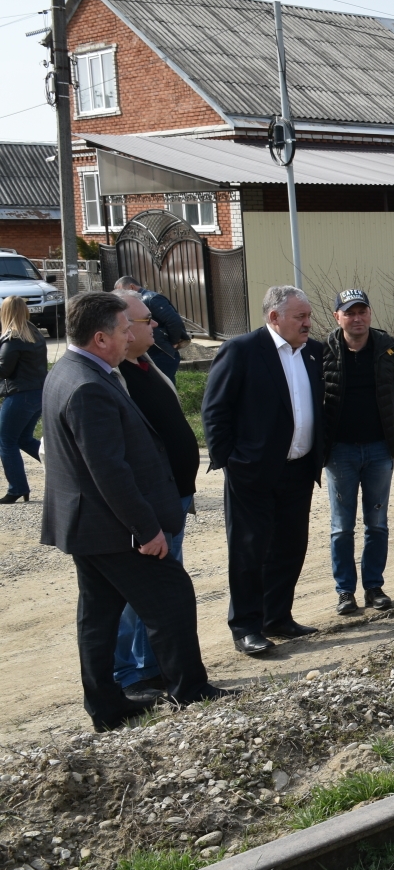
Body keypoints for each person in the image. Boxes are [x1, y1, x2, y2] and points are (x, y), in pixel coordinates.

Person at [40, 290, 229, 731]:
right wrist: (146, 530)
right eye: (125, 330)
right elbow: (110, 471)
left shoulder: (70, 370)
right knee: (171, 597)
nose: (132, 337)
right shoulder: (89, 386)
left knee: (98, 614)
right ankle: (190, 689)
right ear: (101, 338)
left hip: (86, 526)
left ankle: (106, 706)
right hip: (112, 528)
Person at [201, 285, 325, 657]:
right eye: (300, 316)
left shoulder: (313, 353)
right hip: (252, 473)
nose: (308, 322)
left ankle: (277, 616)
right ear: (274, 317)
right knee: (249, 550)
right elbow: (214, 411)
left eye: (308, 315)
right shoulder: (242, 350)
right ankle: (246, 626)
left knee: (290, 546)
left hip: (298, 469)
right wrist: (231, 462)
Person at [110, 290, 200, 700]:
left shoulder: (147, 363)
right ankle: (127, 676)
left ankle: (153, 666)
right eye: (146, 320)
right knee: (133, 597)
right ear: (123, 330)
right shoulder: (115, 378)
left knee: (163, 592)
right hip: (147, 506)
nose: (157, 325)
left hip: (174, 498)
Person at [320, 289, 394, 615]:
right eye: (350, 312)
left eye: (362, 311)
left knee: (377, 523)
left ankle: (374, 587)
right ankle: (345, 592)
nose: (357, 318)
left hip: (379, 450)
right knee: (341, 526)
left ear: (370, 314)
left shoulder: (388, 348)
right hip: (340, 452)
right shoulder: (323, 352)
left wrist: (385, 424)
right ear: (338, 317)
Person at [0, 295, 46, 504]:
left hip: (20, 395)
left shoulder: (13, 338)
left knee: (5, 440)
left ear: (6, 312)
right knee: (23, 439)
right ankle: (63, 468)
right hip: (38, 394)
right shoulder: (34, 333)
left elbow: (4, 370)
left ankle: (17, 488)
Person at [113, 276, 190, 382]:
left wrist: (173, 342)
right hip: (155, 351)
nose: (153, 324)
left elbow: (174, 320)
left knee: (163, 386)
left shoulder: (152, 298)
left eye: (121, 289)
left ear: (131, 286)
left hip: (162, 352)